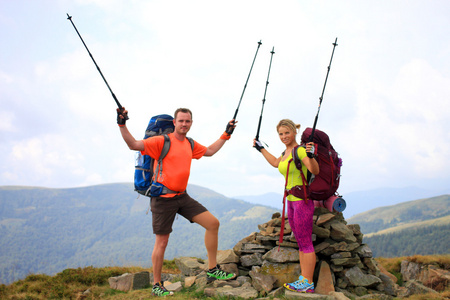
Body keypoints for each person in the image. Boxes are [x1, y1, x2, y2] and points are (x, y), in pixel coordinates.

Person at [117, 107, 237, 297]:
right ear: (174, 122)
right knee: (162, 242)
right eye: (181, 121)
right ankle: (157, 285)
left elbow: (211, 151)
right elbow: (133, 144)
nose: (184, 124)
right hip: (163, 199)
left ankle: (213, 269)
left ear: (191, 123)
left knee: (213, 223)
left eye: (187, 121)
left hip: (182, 197)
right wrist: (122, 124)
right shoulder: (160, 142)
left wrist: (226, 134)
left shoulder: (189, 144)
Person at [253, 119, 319, 294]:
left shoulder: (300, 151)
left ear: (294, 132)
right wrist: (260, 149)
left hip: (302, 201)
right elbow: (276, 162)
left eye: (286, 133)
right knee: (300, 241)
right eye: (281, 134)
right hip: (290, 200)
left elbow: (315, 170)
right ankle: (304, 280)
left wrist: (310, 156)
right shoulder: (286, 151)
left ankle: (308, 282)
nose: (284, 136)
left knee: (305, 242)